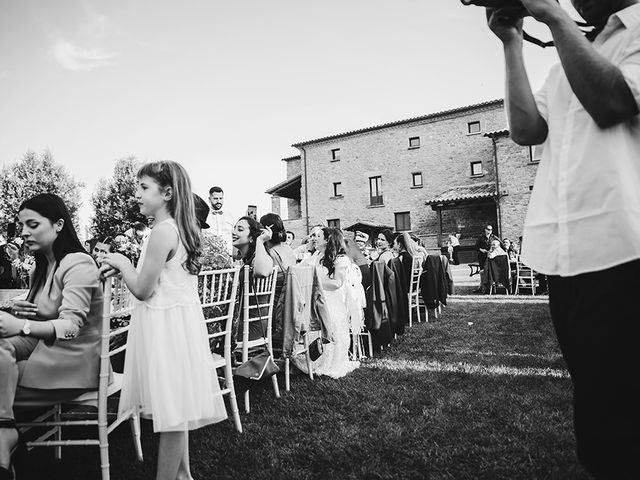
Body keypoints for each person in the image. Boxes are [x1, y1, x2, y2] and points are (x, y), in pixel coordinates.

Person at [487, 0, 640, 476]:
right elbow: (526, 129)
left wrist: (552, 18)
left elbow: (614, 102)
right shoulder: (568, 60)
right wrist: (513, 42)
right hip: (566, 258)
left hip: (627, 248)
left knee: (625, 421)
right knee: (597, 413)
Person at [100, 161, 227, 480]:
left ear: (167, 192)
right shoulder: (180, 229)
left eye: (144, 188)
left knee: (172, 417)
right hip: (179, 326)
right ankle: (183, 475)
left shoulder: (162, 232)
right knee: (177, 410)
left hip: (166, 330)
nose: (137, 195)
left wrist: (122, 262)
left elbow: (143, 289)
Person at [0, 193, 104, 479]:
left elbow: (70, 326)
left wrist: (20, 326)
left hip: (72, 365)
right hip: (42, 354)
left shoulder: (79, 263)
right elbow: (41, 318)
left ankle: (6, 440)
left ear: (58, 225)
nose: (23, 233)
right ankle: (6, 435)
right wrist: (19, 311)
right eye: (21, 226)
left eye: (32, 224)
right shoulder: (39, 268)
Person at [296, 228, 360, 378]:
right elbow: (299, 269)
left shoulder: (341, 259)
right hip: (316, 300)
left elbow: (337, 283)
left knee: (333, 327)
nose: (314, 238)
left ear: (327, 240)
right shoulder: (316, 255)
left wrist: (315, 283)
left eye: (318, 236)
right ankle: (316, 359)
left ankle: (332, 362)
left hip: (332, 300)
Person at [259, 213, 296, 348]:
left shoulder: (271, 253)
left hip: (276, 314)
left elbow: (261, 276)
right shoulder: (288, 249)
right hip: (291, 306)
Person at [206, 186, 234, 254]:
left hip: (227, 254)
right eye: (215, 198)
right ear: (209, 199)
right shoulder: (204, 215)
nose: (218, 201)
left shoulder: (230, 215)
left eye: (220, 198)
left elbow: (234, 235)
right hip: (208, 256)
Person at [474, 225, 500, 293]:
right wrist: (481, 249)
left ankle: (491, 286)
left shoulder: (493, 237)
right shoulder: (481, 237)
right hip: (483, 256)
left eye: (491, 230)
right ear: (485, 230)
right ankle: (483, 287)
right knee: (483, 271)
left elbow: (500, 244)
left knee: (491, 271)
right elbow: (476, 246)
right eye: (488, 229)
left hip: (491, 257)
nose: (489, 231)